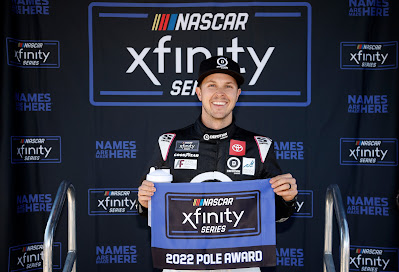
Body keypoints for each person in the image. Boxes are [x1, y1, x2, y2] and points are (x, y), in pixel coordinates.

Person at [137, 56, 298, 271]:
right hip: (184, 263)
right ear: (199, 92)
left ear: (237, 94)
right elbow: (149, 211)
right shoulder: (170, 142)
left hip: (240, 264)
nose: (220, 94)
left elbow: (276, 214)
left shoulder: (260, 145)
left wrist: (287, 198)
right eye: (212, 85)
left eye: (228, 86)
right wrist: (145, 201)